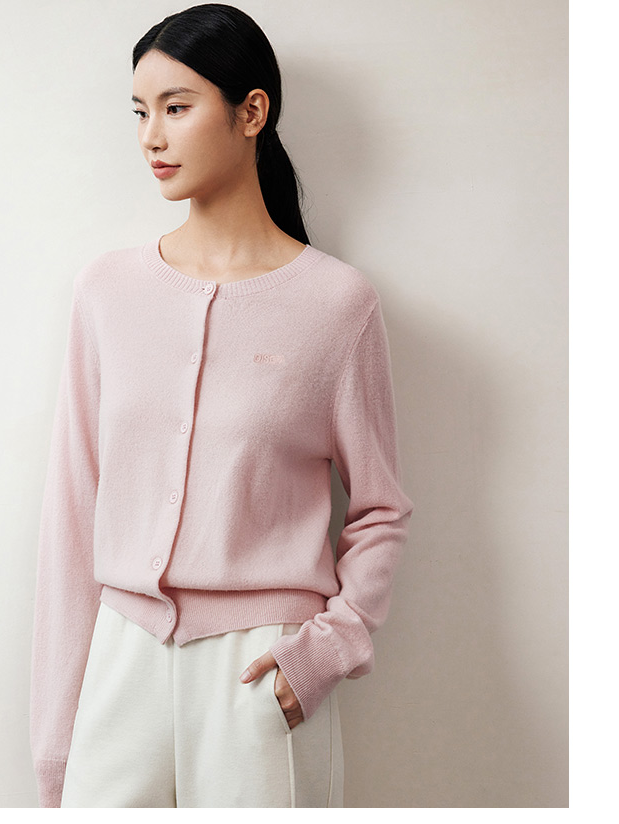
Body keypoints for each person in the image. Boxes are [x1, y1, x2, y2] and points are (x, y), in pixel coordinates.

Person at [30, 2, 413, 809]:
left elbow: (380, 508)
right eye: (140, 112)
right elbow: (73, 511)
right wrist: (58, 740)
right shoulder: (107, 291)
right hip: (121, 655)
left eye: (176, 107)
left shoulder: (337, 305)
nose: (151, 137)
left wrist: (328, 649)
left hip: (261, 668)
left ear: (251, 112)